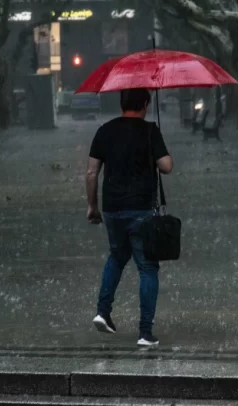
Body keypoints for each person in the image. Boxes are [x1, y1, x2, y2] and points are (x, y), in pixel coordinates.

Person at [85, 88, 173, 347]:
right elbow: (167, 167)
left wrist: (92, 207)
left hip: (112, 209)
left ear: (122, 103)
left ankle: (103, 312)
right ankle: (145, 332)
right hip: (142, 209)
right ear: (145, 103)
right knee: (147, 267)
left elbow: (91, 174)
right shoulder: (149, 131)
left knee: (117, 256)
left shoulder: (105, 130)